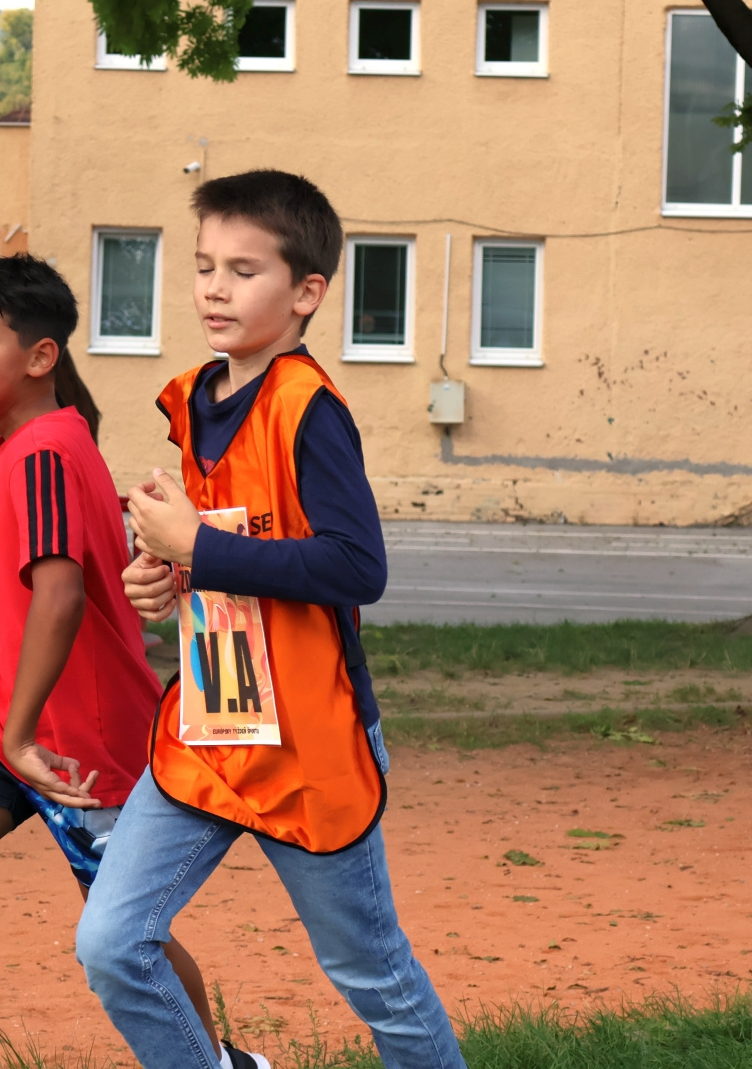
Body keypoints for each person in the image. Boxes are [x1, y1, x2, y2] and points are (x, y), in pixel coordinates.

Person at [79, 170, 466, 1069]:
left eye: (244, 271)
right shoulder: (192, 401)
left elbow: (356, 568)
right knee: (111, 941)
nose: (215, 288)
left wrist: (199, 549)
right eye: (204, 266)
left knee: (372, 974)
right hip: (210, 725)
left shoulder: (307, 409)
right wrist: (164, 572)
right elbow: (230, 539)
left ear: (306, 293)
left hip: (309, 742)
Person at [0, 255, 259, 1069]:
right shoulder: (38, 442)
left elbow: (64, 597)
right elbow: (62, 590)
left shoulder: (44, 451)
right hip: (11, 718)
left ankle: (221, 1065)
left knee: (128, 939)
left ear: (40, 357)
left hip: (79, 739)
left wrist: (19, 731)